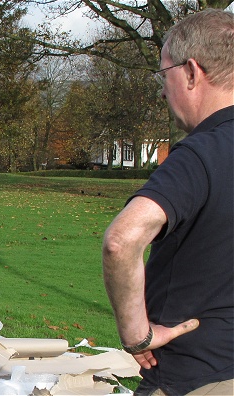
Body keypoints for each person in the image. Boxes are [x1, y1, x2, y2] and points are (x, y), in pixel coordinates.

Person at [102, 9, 233, 395]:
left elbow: (121, 240)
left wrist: (136, 334)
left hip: (195, 378)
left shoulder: (202, 153)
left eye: (165, 74)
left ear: (192, 72)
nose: (162, 91)